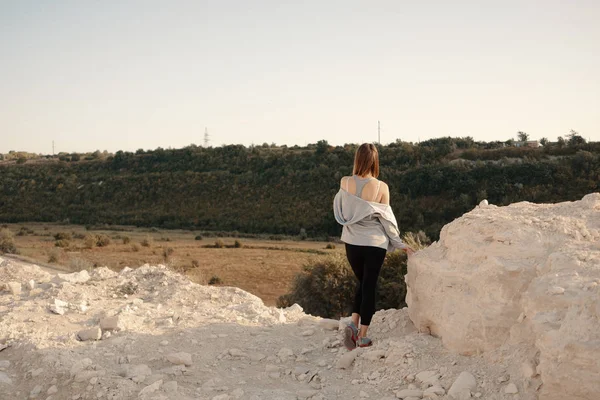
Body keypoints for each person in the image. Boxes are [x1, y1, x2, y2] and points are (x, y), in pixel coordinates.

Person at [333, 143, 414, 349]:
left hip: (352, 242)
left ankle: (353, 323)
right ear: (375, 161)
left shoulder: (345, 182)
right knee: (369, 285)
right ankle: (362, 336)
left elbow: (341, 211)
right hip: (374, 244)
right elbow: (387, 220)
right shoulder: (381, 187)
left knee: (361, 281)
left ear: (357, 159)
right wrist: (400, 244)